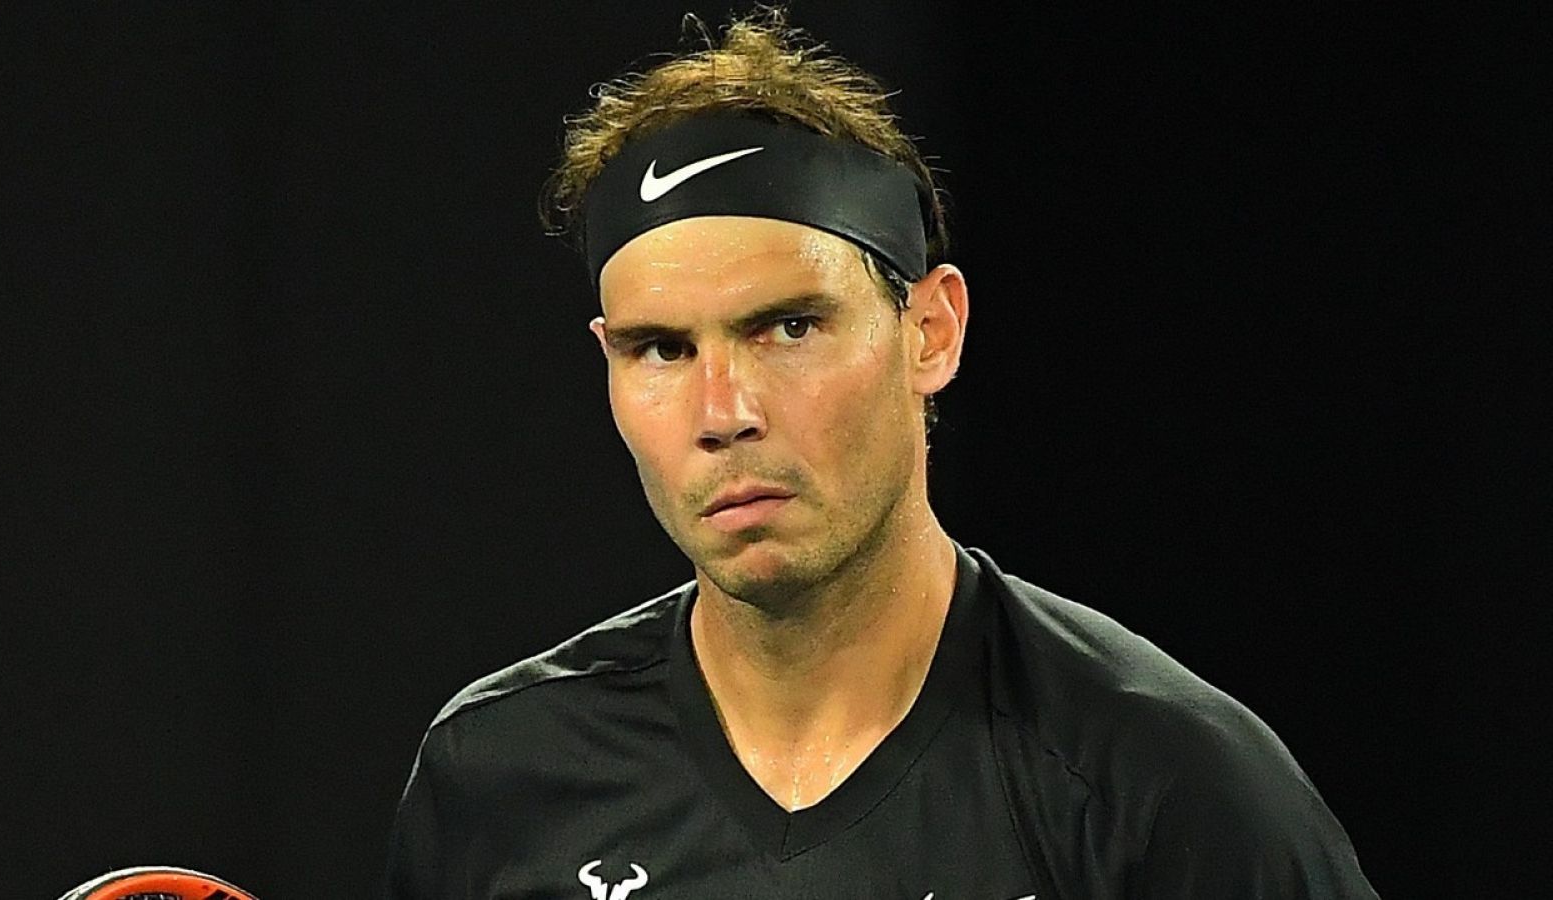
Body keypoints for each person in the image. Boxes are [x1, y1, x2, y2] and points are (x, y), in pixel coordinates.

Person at [384, 8, 1379, 898]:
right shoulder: (499, 776)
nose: (723, 411)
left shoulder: (1165, 787)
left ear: (930, 331)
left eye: (788, 328)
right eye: (662, 349)